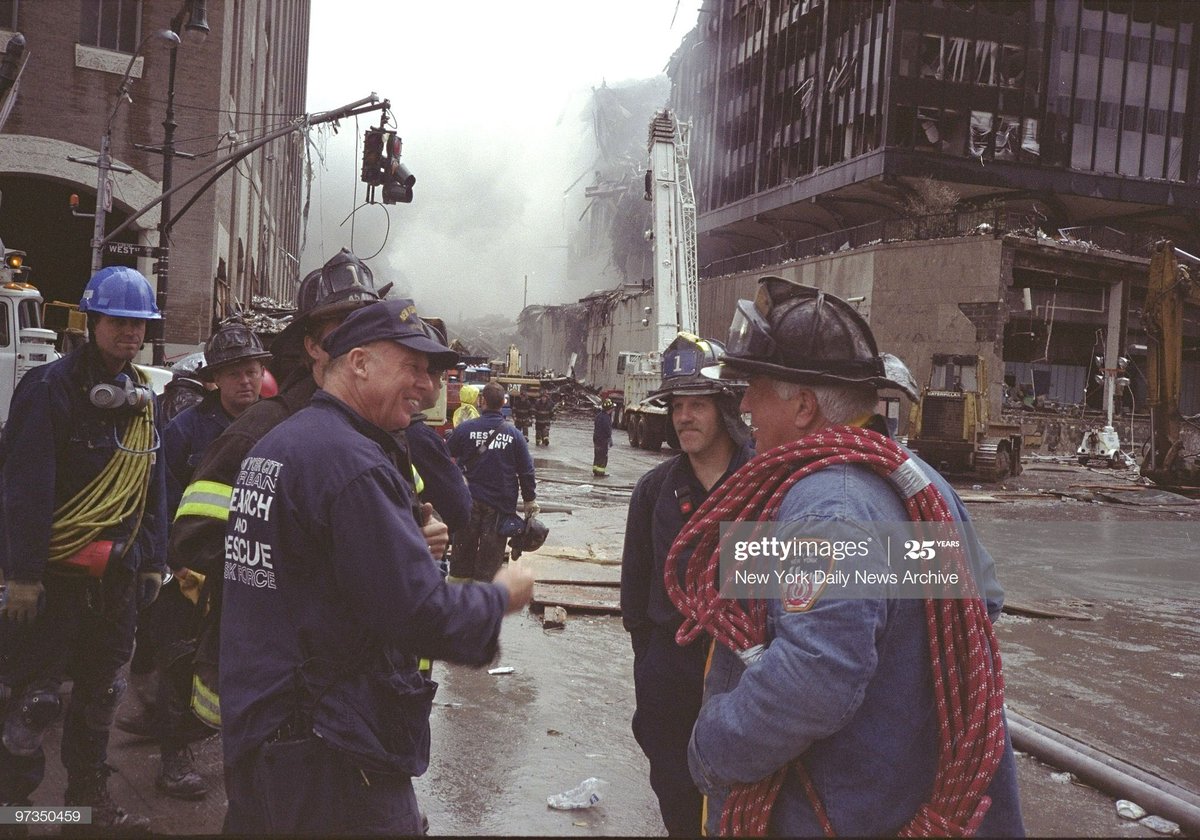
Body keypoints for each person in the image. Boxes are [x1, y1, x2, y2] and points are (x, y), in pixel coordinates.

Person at [672, 278, 1023, 836]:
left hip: (843, 810)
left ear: (805, 406)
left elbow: (813, 678)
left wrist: (710, 746)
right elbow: (984, 600)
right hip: (903, 793)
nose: (743, 406)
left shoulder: (828, 504)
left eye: (754, 388)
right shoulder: (915, 483)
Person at [220, 298, 534, 835]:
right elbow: (419, 614)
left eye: (432, 372)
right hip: (328, 752)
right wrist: (500, 595)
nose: (430, 388)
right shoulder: (351, 464)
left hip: (264, 732)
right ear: (360, 363)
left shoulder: (281, 444)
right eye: (412, 367)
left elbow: (311, 574)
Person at [166, 249, 393, 737]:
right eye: (340, 328)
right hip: (280, 687)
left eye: (366, 325)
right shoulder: (262, 432)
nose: (358, 341)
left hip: (356, 686)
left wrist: (422, 530)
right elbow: (193, 535)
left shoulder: (383, 431)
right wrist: (302, 560)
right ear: (311, 346)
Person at [0, 266, 168, 831]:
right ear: (92, 321)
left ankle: (86, 810)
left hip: (116, 580)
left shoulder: (143, 398)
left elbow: (152, 482)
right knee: (36, 698)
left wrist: (153, 558)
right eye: (119, 321)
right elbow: (25, 486)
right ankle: (14, 809)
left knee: (101, 697)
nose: (130, 333)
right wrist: (22, 574)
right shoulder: (50, 389)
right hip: (54, 578)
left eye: (139, 324)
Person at [620, 332, 754, 837]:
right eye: (677, 405)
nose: (684, 417)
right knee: (679, 802)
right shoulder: (653, 492)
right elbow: (634, 598)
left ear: (726, 408)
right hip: (670, 681)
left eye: (698, 403)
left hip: (745, 677)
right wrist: (651, 666)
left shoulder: (765, 482)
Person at [140, 322, 271, 800]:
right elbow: (162, 496)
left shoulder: (276, 426)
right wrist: (175, 561)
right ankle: (174, 761)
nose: (246, 382)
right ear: (214, 378)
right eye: (234, 373)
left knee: (245, 664)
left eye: (253, 371)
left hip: (248, 568)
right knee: (181, 661)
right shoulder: (185, 430)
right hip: (191, 571)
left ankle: (245, 751)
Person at [447, 382, 538, 583]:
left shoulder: (464, 429)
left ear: (483, 402)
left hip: (467, 502)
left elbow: (444, 458)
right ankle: (484, 605)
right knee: (490, 561)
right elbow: (526, 471)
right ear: (502, 403)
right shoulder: (514, 435)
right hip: (499, 506)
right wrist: (530, 500)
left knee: (461, 557)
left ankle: (458, 603)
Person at [592, 398, 615, 477]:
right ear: (609, 409)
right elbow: (607, 429)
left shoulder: (599, 416)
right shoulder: (606, 418)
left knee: (597, 454)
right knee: (603, 456)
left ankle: (595, 470)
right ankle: (601, 472)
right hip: (603, 439)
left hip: (596, 438)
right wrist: (609, 439)